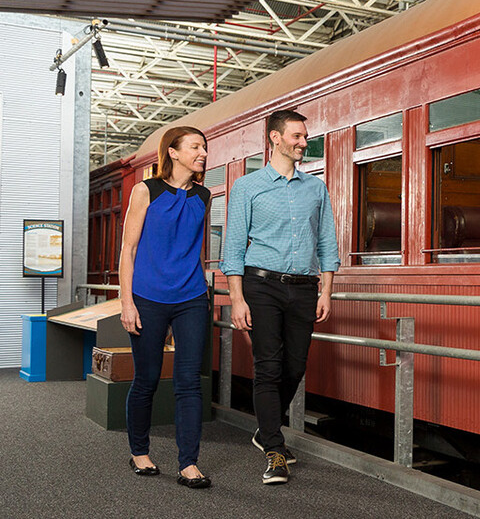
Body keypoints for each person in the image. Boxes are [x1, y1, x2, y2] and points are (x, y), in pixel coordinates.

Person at [221, 109, 339, 485]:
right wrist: (237, 299)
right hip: (262, 285)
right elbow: (234, 249)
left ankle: (264, 430)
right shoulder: (247, 187)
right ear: (275, 138)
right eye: (297, 136)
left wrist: (327, 290)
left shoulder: (315, 187)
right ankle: (274, 448)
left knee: (295, 367)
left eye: (304, 136)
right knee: (268, 367)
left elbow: (326, 242)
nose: (304, 142)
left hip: (304, 288)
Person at [119, 125, 213, 490]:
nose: (202, 153)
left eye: (204, 147)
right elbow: (128, 250)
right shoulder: (146, 191)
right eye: (195, 147)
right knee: (147, 378)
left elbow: (194, 249)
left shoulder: (204, 196)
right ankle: (139, 452)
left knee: (189, 383)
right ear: (172, 152)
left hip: (190, 298)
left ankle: (189, 463)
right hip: (147, 298)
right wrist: (127, 302)